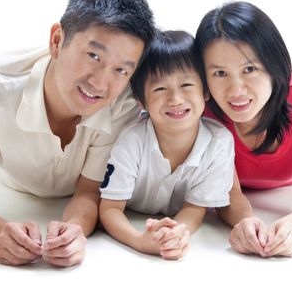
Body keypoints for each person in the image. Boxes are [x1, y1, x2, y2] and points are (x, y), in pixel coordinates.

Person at [0, 0, 155, 267]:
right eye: (93, 55)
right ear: (57, 40)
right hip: (10, 188)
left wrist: (75, 230)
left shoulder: (124, 103)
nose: (101, 83)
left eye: (121, 70)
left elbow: (89, 191)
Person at [194, 1, 292, 258]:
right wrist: (246, 223)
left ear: (273, 65)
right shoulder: (203, 109)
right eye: (220, 73)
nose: (236, 91)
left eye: (249, 69)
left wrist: (291, 227)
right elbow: (230, 194)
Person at [99, 30, 234, 260]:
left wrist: (177, 234)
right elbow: (110, 208)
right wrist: (139, 241)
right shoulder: (131, 140)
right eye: (160, 89)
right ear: (142, 100)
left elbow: (195, 208)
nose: (176, 99)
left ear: (206, 91)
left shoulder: (219, 142)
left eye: (187, 85)